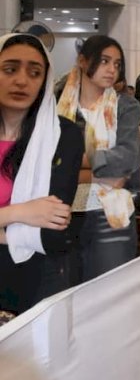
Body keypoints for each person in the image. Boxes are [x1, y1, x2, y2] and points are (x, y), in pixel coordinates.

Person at [0, 33, 84, 316]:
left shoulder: (64, 135)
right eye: (10, 69)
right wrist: (20, 213)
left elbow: (51, 233)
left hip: (35, 277)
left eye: (35, 73)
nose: (22, 80)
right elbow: (35, 225)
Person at [57, 35, 140, 283]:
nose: (112, 69)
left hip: (110, 213)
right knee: (65, 294)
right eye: (104, 61)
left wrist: (76, 162)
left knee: (108, 292)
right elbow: (49, 163)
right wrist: (96, 174)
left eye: (117, 64)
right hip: (63, 211)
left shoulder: (125, 106)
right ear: (83, 61)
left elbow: (128, 157)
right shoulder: (56, 105)